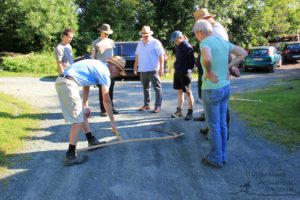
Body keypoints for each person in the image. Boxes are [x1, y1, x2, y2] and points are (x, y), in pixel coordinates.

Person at [193, 20, 247, 167]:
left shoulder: (204, 43)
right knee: (222, 123)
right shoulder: (223, 42)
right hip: (225, 87)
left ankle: (215, 159)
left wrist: (209, 72)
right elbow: (243, 52)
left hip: (211, 88)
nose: (196, 37)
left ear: (200, 32)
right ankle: (222, 156)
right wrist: (229, 65)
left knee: (214, 125)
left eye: (195, 34)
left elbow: (208, 58)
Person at [55, 56, 126, 166]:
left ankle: (91, 140)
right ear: (115, 68)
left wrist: (85, 105)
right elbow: (106, 100)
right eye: (119, 72)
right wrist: (113, 123)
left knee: (81, 113)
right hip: (68, 84)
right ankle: (71, 155)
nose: (117, 75)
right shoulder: (105, 73)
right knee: (78, 119)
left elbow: (85, 85)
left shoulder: (98, 66)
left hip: (64, 82)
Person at [193, 8, 240, 136]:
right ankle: (212, 128)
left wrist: (225, 67)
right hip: (213, 74)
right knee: (213, 102)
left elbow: (221, 53)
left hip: (214, 75)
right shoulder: (213, 28)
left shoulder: (216, 31)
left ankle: (219, 134)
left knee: (217, 102)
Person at [134, 26, 165, 113]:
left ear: (150, 34)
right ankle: (146, 105)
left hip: (153, 69)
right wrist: (135, 66)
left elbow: (161, 55)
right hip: (143, 69)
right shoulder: (140, 42)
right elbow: (137, 55)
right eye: (144, 35)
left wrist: (161, 68)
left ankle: (157, 106)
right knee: (145, 88)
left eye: (147, 35)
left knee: (157, 88)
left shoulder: (156, 42)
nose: (145, 37)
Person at [91, 23, 119, 117]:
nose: (107, 34)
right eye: (105, 32)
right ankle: (103, 109)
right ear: (101, 32)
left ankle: (111, 107)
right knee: (102, 89)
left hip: (110, 68)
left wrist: (115, 65)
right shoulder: (95, 42)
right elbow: (93, 57)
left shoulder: (111, 42)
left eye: (108, 33)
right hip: (100, 68)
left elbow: (112, 55)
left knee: (110, 87)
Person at [170, 31, 195, 120]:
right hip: (178, 72)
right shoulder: (179, 46)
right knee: (180, 91)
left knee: (188, 92)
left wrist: (187, 71)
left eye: (175, 40)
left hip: (185, 73)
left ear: (180, 38)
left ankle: (190, 112)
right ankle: (179, 111)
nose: (174, 42)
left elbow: (192, 63)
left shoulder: (188, 47)